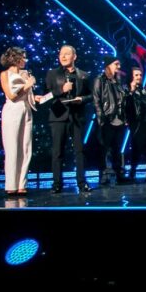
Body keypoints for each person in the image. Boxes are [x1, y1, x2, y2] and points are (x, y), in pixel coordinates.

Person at [45, 45, 92, 193]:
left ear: (74, 57)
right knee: (57, 151)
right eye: (61, 54)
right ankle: (57, 184)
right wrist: (61, 90)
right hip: (58, 116)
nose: (63, 57)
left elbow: (91, 95)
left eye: (66, 54)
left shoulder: (84, 75)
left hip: (77, 116)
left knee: (80, 151)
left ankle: (82, 182)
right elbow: (45, 96)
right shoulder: (52, 74)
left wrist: (82, 99)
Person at [0, 47, 40, 196]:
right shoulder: (5, 74)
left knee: (26, 147)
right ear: (14, 58)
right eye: (22, 57)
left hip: (26, 109)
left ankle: (22, 184)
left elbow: (27, 95)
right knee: (12, 147)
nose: (25, 60)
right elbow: (11, 96)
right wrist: (27, 86)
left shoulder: (25, 73)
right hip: (12, 110)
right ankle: (11, 185)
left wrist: (35, 97)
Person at [92, 56, 129, 186]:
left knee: (116, 148)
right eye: (116, 64)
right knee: (104, 149)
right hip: (107, 119)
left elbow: (121, 100)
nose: (119, 66)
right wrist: (101, 118)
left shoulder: (118, 81)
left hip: (119, 119)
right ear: (108, 65)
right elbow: (96, 99)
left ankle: (119, 174)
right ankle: (104, 175)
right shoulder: (100, 79)